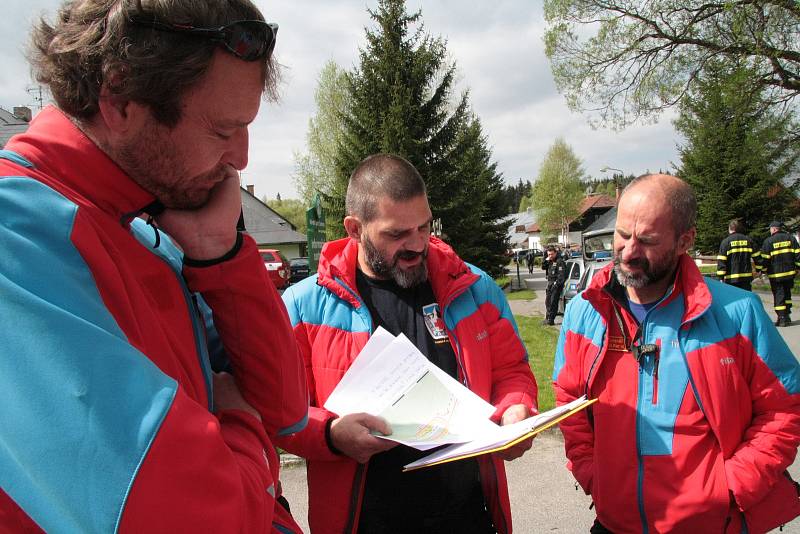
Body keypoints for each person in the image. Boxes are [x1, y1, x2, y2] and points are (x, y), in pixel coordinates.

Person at [0, 1, 308, 531]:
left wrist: (222, 254)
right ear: (120, 100)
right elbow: (196, 518)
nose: (242, 156)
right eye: (222, 129)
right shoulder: (16, 237)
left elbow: (284, 409)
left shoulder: (142, 226)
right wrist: (241, 426)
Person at [277, 154, 538, 534]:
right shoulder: (303, 307)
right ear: (355, 228)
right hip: (364, 523)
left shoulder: (474, 287)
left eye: (424, 227)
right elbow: (280, 414)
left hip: (468, 519)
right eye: (396, 235)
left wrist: (515, 409)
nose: (417, 245)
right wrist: (331, 436)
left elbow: (513, 372)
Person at [553, 174, 800, 533]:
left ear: (685, 240)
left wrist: (732, 486)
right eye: (622, 235)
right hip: (613, 523)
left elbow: (784, 408)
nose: (629, 251)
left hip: (711, 524)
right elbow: (569, 399)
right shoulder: (585, 311)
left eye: (647, 240)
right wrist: (591, 470)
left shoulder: (738, 313)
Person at [761, 221, 800, 327]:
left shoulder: (768, 241)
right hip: (789, 273)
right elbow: (798, 255)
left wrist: (763, 270)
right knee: (787, 294)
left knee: (779, 295)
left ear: (773, 229)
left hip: (776, 275)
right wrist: (798, 268)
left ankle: (782, 318)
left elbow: (765, 260)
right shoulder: (791, 238)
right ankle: (787, 315)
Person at [716, 219, 762, 291]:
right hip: (746, 278)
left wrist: (720, 277)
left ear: (730, 228)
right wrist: (759, 270)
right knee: (745, 299)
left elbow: (721, 261)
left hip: (731, 279)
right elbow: (757, 257)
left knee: (734, 300)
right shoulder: (748, 240)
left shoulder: (726, 242)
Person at [541, 245, 567, 325]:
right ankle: (547, 318)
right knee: (547, 302)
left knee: (553, 302)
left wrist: (556, 284)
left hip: (556, 285)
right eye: (549, 254)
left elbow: (561, 275)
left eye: (551, 254)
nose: (550, 256)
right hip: (550, 284)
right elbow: (543, 267)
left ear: (555, 253)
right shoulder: (550, 261)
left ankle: (551, 320)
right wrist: (546, 260)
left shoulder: (559, 261)